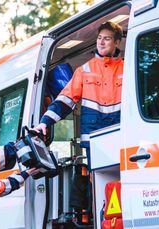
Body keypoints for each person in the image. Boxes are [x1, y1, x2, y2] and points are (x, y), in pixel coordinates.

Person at [34, 21, 124, 167]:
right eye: (99, 38)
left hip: (122, 135)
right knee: (97, 183)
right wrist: (45, 122)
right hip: (94, 139)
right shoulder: (84, 70)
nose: (101, 42)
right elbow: (64, 100)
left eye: (106, 39)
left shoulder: (127, 68)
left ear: (117, 42)